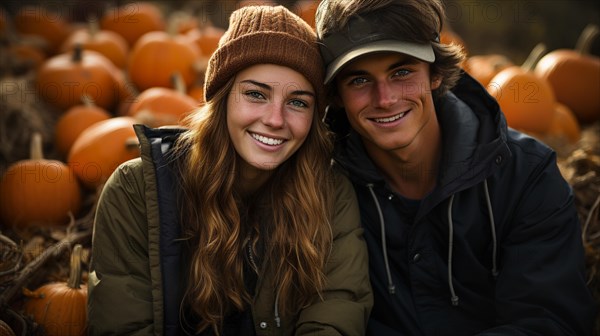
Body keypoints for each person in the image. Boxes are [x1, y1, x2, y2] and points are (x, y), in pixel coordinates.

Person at [314, 0, 598, 335]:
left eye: (402, 72)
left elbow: (549, 322)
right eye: (359, 80)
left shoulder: (526, 176)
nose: (385, 98)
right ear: (336, 95)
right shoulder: (324, 190)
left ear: (435, 73)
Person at [87, 5, 373, 336]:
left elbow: (335, 313)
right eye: (255, 94)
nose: (275, 120)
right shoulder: (136, 191)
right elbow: (124, 325)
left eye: (298, 102)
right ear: (222, 99)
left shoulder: (330, 194)